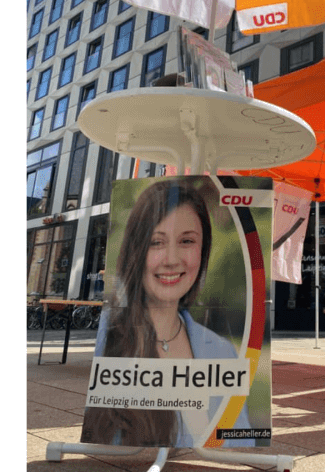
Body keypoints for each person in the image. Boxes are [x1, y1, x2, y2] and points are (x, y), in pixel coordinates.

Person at [81, 178, 254, 448]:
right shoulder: (110, 333)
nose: (172, 259)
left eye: (187, 241)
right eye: (156, 242)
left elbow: (241, 443)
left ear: (202, 250)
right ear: (136, 251)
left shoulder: (223, 352)